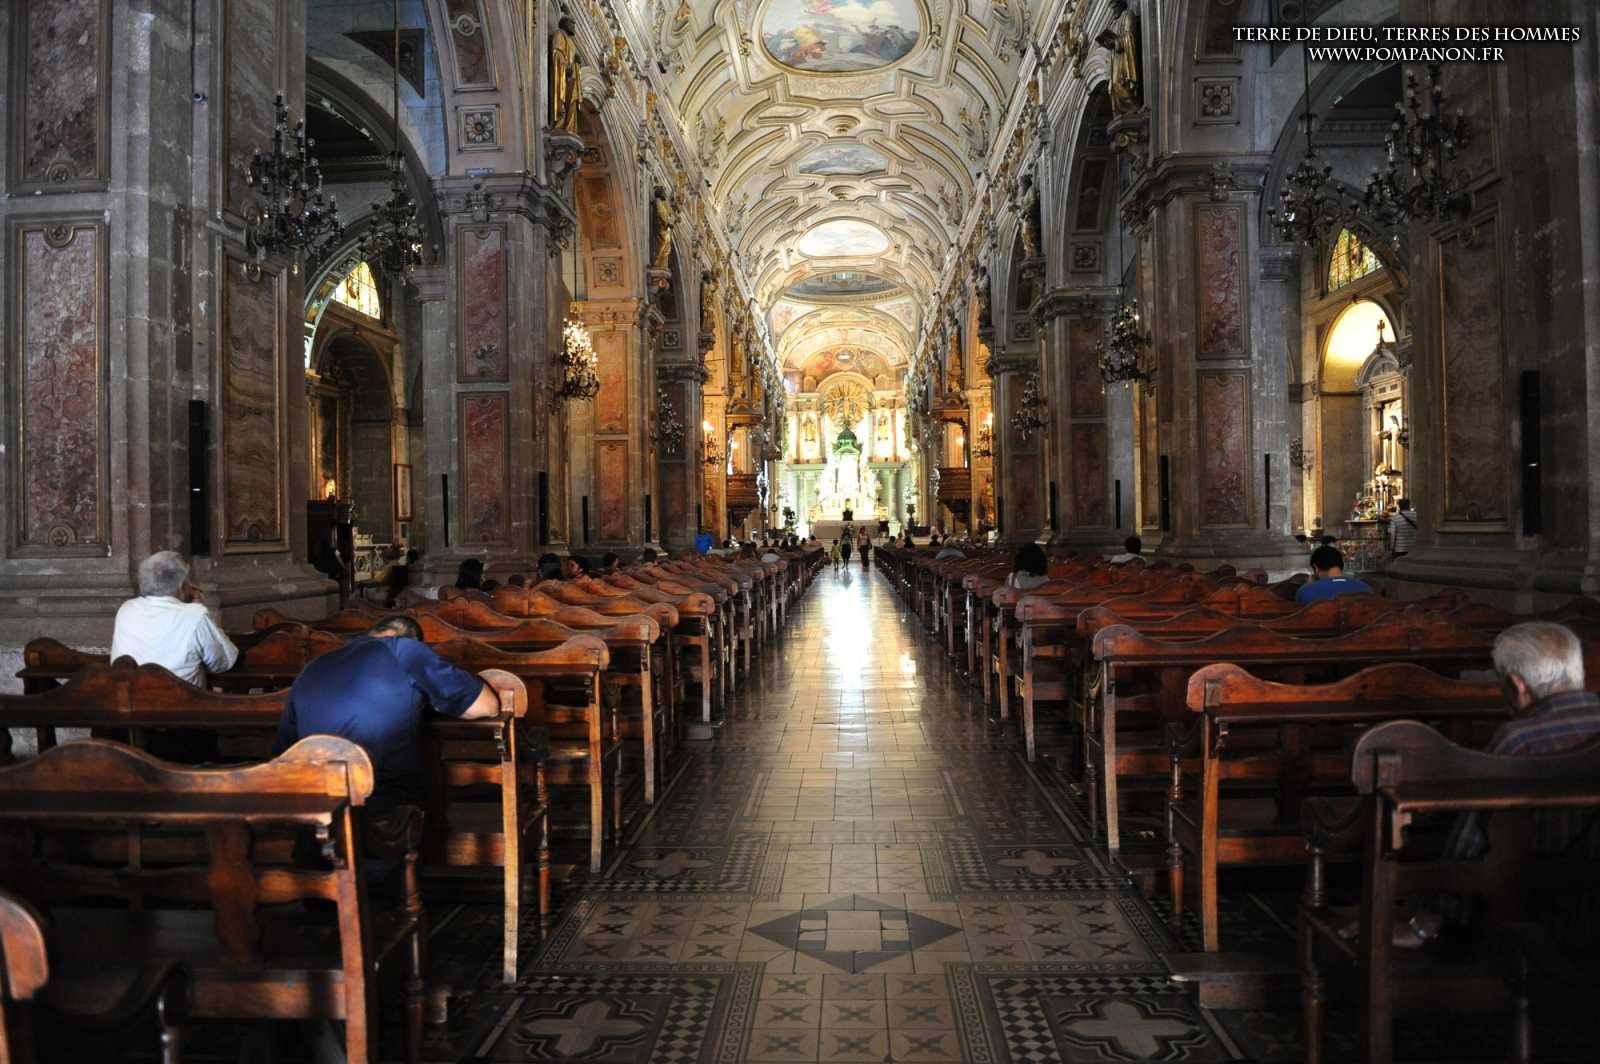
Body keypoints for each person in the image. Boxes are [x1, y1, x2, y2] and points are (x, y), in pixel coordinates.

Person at [274, 616, 499, 809]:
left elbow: (285, 751)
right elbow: (486, 706)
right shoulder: (404, 650)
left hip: (315, 803)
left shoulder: (314, 665)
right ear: (408, 639)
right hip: (379, 801)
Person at [111, 551, 238, 686]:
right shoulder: (195, 615)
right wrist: (197, 604)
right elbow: (224, 662)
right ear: (181, 585)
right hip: (183, 698)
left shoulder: (126, 608)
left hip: (131, 696)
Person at [1294, 545, 1374, 604]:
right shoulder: (1366, 588)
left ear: (1316, 568)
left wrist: (1309, 586)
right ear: (1341, 564)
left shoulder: (1305, 592)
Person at [1389, 497, 1417, 561]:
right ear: (1409, 505)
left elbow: (1393, 535)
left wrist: (1392, 548)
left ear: (1399, 506)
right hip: (1414, 547)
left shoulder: (1395, 518)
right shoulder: (1416, 515)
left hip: (1400, 548)